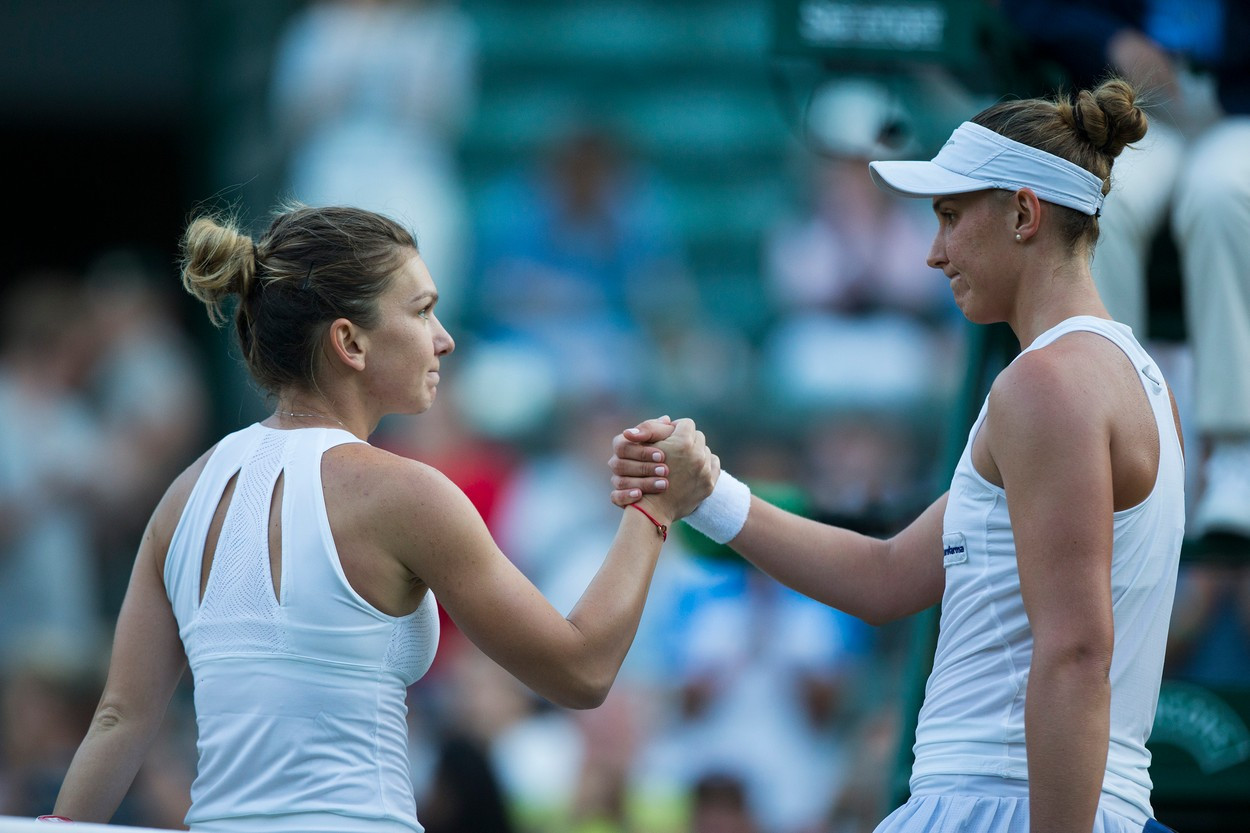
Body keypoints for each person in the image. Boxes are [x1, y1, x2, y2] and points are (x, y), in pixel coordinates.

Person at [613, 78, 1186, 832]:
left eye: (950, 217)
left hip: (1002, 807)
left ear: (1023, 213)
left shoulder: (1048, 383)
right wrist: (708, 494)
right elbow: (887, 577)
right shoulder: (1126, 379)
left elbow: (1076, 651)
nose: (933, 252)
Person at [44, 203, 716, 831]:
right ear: (351, 342)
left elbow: (119, 720)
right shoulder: (408, 495)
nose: (445, 340)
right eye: (422, 311)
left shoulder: (183, 496)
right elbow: (582, 672)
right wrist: (655, 506)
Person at [1002, 0, 1250, 549]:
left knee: (1222, 195)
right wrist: (1112, 40)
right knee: (1097, 206)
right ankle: (1112, 446)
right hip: (1137, 107)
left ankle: (1235, 457)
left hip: (1240, 111)